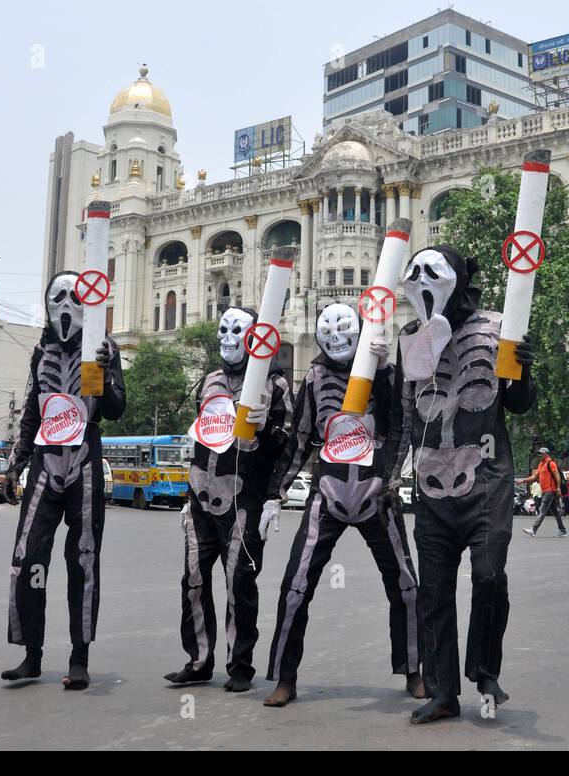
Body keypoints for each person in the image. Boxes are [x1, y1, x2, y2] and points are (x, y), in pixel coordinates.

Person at [386, 246, 535, 724]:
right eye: (414, 273)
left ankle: (485, 670)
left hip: (487, 481)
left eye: (433, 272)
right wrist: (389, 475)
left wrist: (523, 368)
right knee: (434, 591)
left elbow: (517, 402)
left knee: (490, 575)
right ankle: (443, 691)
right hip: (430, 486)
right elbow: (404, 417)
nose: (421, 281)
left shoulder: (498, 328)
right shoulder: (410, 338)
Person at [261, 303, 421, 707]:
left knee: (405, 585)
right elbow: (300, 440)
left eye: (346, 330)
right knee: (296, 585)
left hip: (375, 493)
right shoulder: (314, 377)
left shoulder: (382, 371)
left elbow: (400, 424)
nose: (337, 340)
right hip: (328, 490)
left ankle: (415, 669)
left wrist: (391, 474)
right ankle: (284, 676)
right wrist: (273, 494)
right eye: (328, 332)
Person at [2, 272, 127, 690]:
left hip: (85, 462)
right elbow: (32, 414)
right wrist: (15, 464)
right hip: (44, 459)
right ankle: (31, 654)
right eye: (59, 298)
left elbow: (114, 410)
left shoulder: (105, 349)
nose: (68, 306)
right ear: (48, 305)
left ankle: (79, 657)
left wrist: (105, 373)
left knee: (84, 559)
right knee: (29, 557)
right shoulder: (40, 353)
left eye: (76, 297)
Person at [164, 306, 292, 693]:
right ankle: (200, 660)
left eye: (237, 329)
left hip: (244, 501)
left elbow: (286, 445)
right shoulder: (210, 380)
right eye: (222, 329)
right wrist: (189, 495)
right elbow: (201, 434)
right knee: (194, 581)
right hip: (201, 495)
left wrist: (274, 495)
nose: (227, 336)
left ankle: (240, 666)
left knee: (239, 583)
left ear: (255, 337)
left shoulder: (275, 384)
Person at [519, 446, 566, 537]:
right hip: (544, 491)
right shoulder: (540, 464)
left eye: (541, 453)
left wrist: (558, 488)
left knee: (542, 509)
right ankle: (563, 530)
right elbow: (534, 477)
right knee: (555, 511)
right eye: (539, 453)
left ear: (546, 454)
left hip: (550, 490)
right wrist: (523, 481)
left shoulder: (551, 463)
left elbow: (557, 476)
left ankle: (534, 529)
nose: (539, 455)